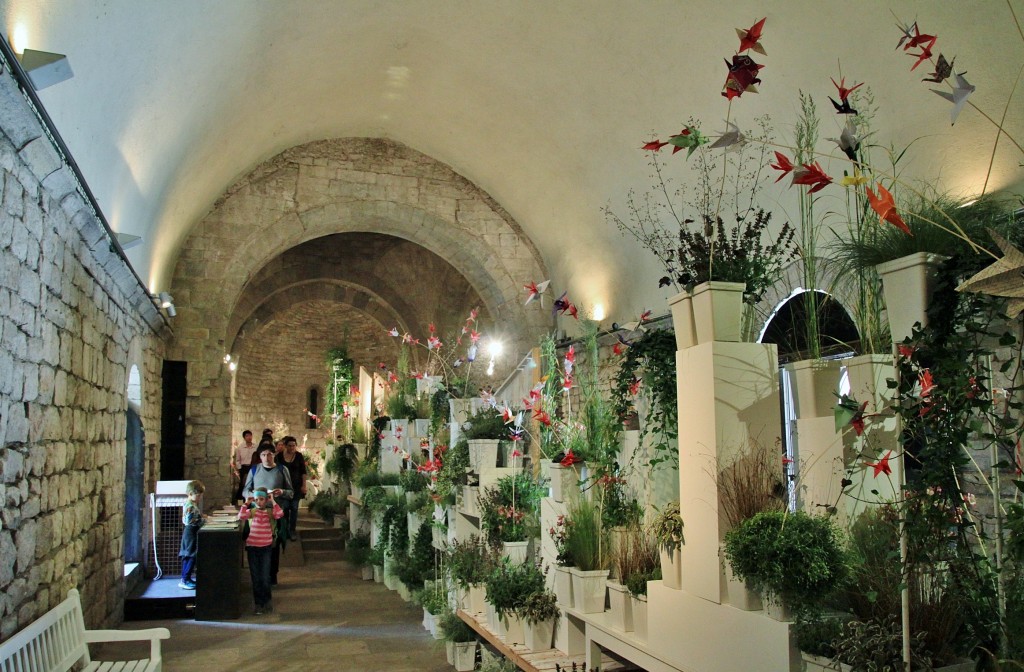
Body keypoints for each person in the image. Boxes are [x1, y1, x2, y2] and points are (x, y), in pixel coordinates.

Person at [243, 443, 293, 584]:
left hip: (275, 513)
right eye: (263, 455)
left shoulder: (282, 470)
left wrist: (281, 492)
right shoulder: (254, 470)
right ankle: (258, 574)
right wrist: (254, 494)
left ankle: (272, 574)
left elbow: (291, 492)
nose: (267, 457)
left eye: (269, 454)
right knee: (256, 544)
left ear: (274, 455)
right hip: (257, 514)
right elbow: (245, 490)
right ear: (259, 456)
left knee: (274, 545)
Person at [238, 487, 283, 614]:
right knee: (256, 577)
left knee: (265, 576)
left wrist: (273, 501)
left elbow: (280, 514)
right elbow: (241, 516)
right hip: (252, 548)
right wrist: (246, 503)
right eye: (257, 499)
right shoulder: (252, 512)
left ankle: (267, 601)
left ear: (266, 500)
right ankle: (258, 603)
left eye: (262, 499)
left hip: (266, 548)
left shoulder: (270, 512)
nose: (259, 502)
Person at [275, 436, 307, 540]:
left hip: (296, 487)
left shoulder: (299, 456)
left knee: (294, 508)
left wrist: (304, 485)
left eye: (294, 445)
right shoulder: (279, 457)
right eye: (289, 446)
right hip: (283, 487)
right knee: (285, 508)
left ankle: (292, 530)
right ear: (285, 446)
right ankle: (284, 530)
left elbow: (303, 472)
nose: (292, 448)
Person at [178, 479, 207, 590]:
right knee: (190, 556)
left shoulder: (190, 504)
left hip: (190, 532)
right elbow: (190, 520)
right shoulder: (190, 506)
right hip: (191, 532)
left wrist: (201, 516)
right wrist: (203, 520)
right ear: (190, 493)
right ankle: (185, 579)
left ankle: (186, 578)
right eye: (198, 495)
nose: (199, 498)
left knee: (189, 556)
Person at [232, 430, 256, 503]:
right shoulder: (240, 447)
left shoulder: (256, 446)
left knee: (252, 484)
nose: (249, 437)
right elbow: (237, 460)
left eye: (250, 435)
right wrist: (240, 468)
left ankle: (252, 501)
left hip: (253, 467)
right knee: (242, 484)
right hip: (244, 467)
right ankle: (240, 501)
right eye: (247, 436)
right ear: (244, 437)